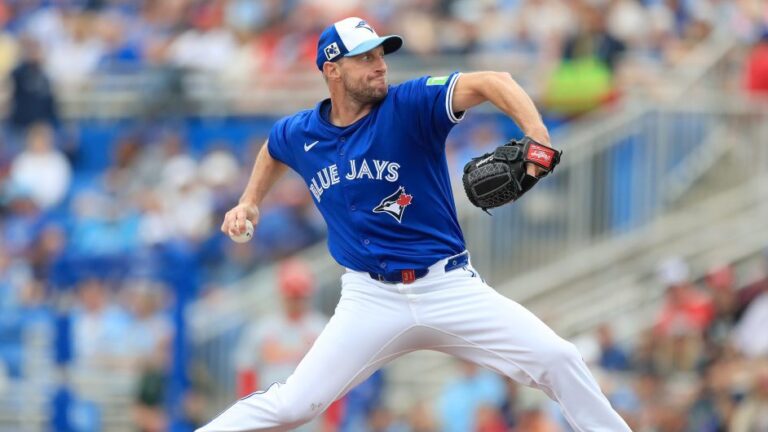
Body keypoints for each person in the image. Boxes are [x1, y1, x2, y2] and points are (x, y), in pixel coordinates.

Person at [200, 17, 631, 431]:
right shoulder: (302, 132)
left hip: (447, 286)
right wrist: (249, 201)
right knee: (296, 405)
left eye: (381, 54)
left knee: (559, 359)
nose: (380, 64)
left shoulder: (409, 106)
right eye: (365, 58)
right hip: (369, 299)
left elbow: (492, 80)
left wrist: (538, 134)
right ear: (332, 70)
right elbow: (274, 149)